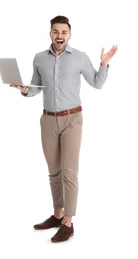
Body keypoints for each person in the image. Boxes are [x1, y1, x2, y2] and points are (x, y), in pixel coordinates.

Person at [10, 15, 118, 243]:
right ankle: (57, 215)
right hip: (48, 120)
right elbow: (35, 89)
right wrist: (23, 89)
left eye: (64, 32)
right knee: (54, 172)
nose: (59, 36)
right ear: (50, 33)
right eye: (56, 32)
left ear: (69, 35)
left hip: (72, 120)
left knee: (69, 172)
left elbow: (97, 83)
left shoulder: (79, 57)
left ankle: (68, 222)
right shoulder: (39, 58)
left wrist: (104, 64)